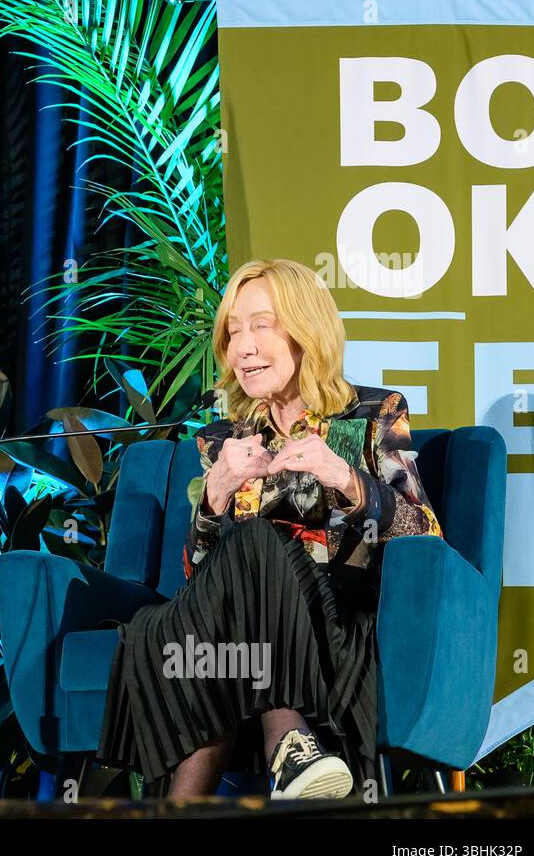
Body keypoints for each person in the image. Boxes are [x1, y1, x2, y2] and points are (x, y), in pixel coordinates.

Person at [96, 258, 442, 800]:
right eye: (233, 331)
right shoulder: (226, 438)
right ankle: (290, 749)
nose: (243, 347)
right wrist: (214, 497)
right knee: (161, 618)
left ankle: (228, 773)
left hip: (331, 627)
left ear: (306, 331)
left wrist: (347, 480)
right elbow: (200, 578)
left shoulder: (373, 414)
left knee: (248, 548)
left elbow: (425, 536)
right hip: (228, 634)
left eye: (261, 325)